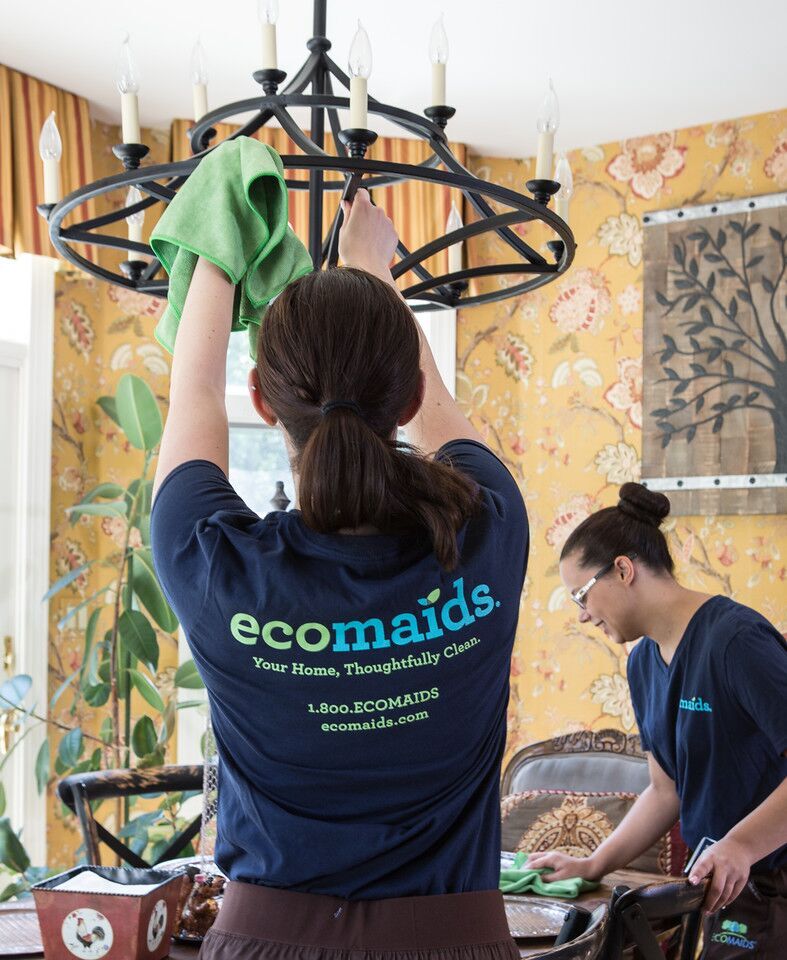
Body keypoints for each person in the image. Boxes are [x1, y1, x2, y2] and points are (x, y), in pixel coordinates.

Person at [150, 189, 528, 960]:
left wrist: (219, 247)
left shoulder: (218, 570)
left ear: (259, 398)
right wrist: (371, 266)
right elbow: (437, 415)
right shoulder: (488, 532)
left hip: (266, 943)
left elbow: (192, 396)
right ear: (410, 393)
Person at [526, 482, 787, 958]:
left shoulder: (736, 641)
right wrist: (592, 864)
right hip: (724, 885)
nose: (583, 617)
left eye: (580, 596)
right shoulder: (643, 663)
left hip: (772, 882)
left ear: (623, 570)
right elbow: (666, 791)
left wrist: (742, 846)